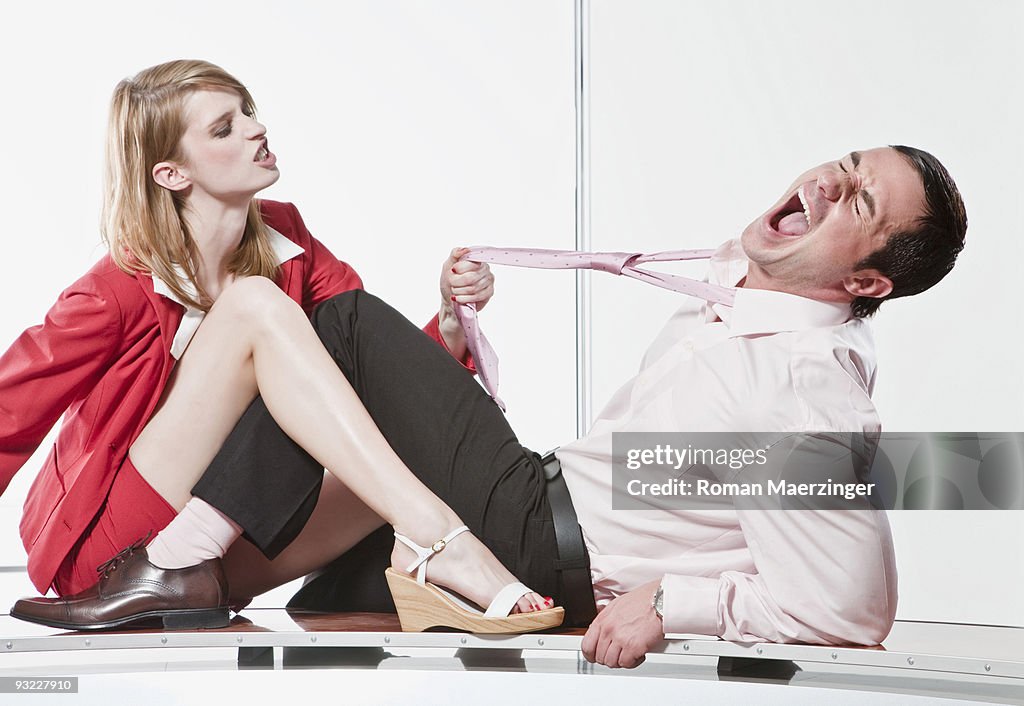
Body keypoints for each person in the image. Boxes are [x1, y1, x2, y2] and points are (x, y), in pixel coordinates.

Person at [106, 143, 963, 667]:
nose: (822, 182)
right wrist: (455, 321)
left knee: (348, 329)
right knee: (323, 602)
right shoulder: (745, 294)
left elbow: (849, 611)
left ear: (864, 282)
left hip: (535, 531)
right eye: (844, 165)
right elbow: (723, 498)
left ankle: (172, 561)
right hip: (539, 519)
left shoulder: (808, 390)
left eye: (856, 200)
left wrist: (673, 603)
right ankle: (170, 579)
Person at [1, 59, 562, 634]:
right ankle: (437, 540)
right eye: (224, 128)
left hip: (220, 558)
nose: (255, 129)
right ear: (170, 174)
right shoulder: (114, 289)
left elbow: (366, 373)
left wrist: (448, 322)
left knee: (384, 447)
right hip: (119, 557)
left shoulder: (287, 240)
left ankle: (422, 557)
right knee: (253, 304)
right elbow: (7, 410)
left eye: (247, 111)